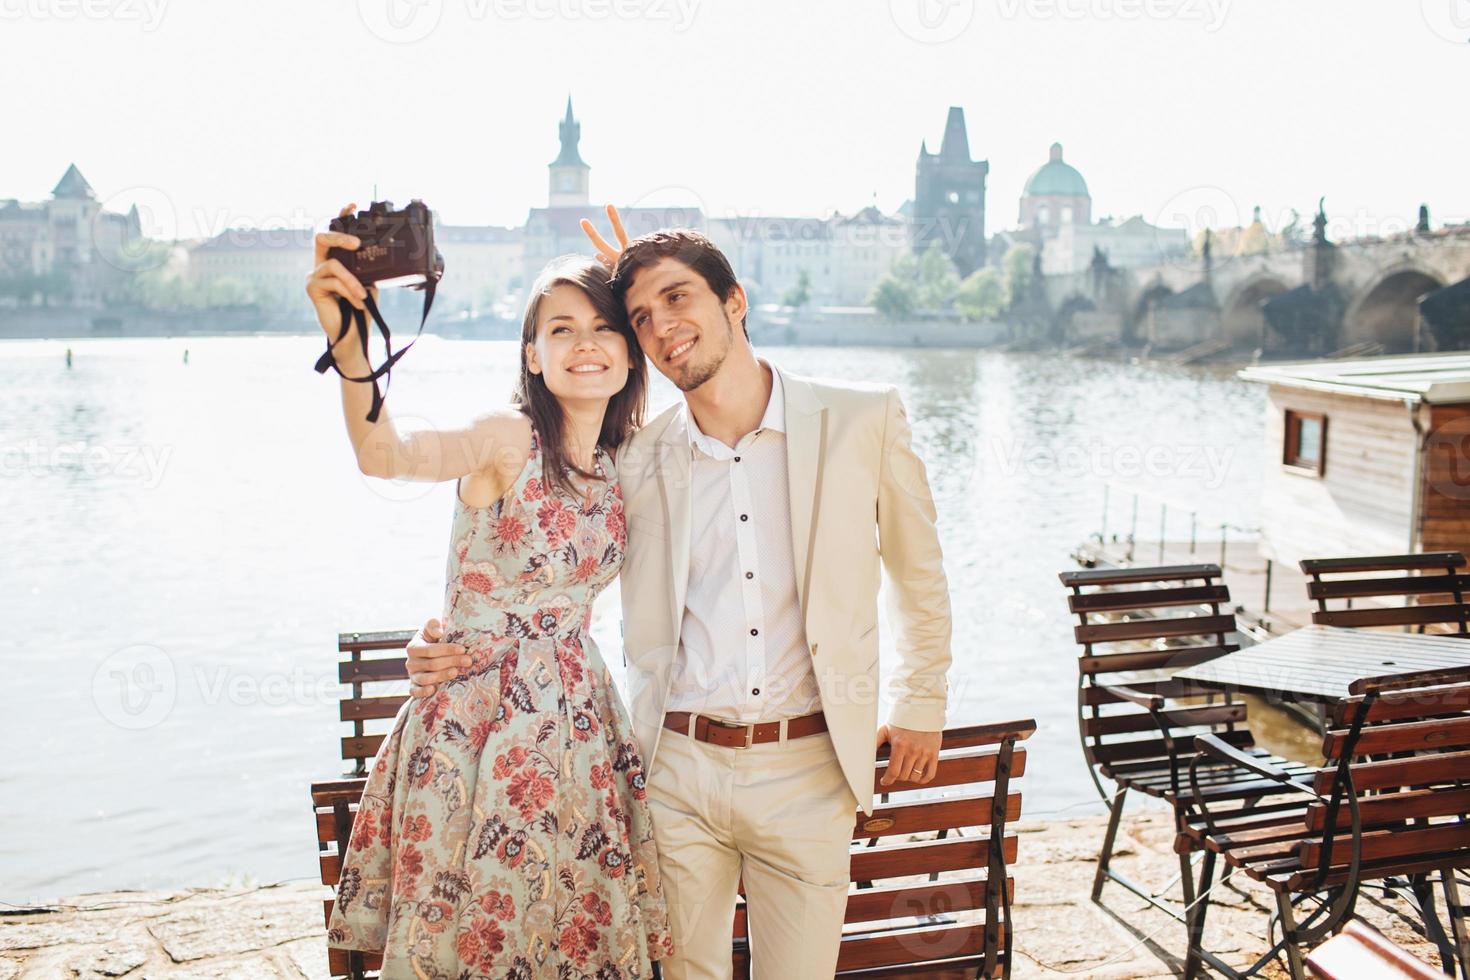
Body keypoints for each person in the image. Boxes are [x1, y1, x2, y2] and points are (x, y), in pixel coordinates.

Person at [410, 207, 955, 978]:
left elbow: (918, 574)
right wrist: (449, 645)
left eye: (679, 298)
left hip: (809, 772)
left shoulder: (861, 421)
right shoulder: (634, 457)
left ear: (735, 301)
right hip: (675, 773)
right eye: (640, 316)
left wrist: (920, 700)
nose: (663, 326)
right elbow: (541, 564)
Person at [307, 203, 673, 978]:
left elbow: (734, 415)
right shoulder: (506, 439)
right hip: (476, 727)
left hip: (580, 728)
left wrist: (655, 277)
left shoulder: (624, 462)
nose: (585, 344)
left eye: (605, 327)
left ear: (632, 353)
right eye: (561, 329)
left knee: (571, 936)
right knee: (473, 942)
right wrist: (347, 332)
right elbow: (385, 453)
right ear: (533, 356)